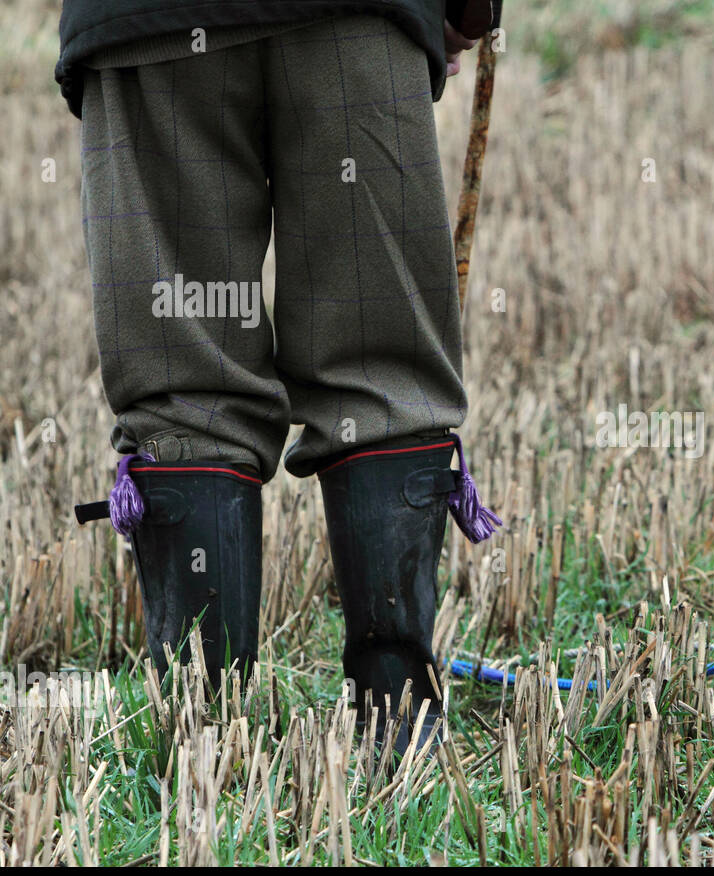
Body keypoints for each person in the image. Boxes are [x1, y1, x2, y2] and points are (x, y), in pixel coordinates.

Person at [60, 0, 500, 756]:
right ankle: (398, 730)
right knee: (382, 369)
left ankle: (202, 746)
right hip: (357, 15)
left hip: (145, 19)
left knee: (182, 387)